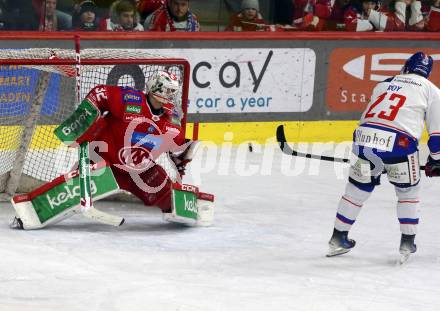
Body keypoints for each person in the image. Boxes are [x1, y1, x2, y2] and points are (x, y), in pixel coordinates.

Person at [10, 71, 213, 229]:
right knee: (71, 193)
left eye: (173, 92)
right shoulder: (131, 100)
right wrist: (83, 120)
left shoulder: (171, 119)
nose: (172, 96)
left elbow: (175, 146)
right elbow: (100, 93)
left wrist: (181, 154)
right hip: (103, 160)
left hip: (139, 172)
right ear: (156, 89)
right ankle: (28, 213)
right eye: (168, 91)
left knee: (167, 196)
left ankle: (194, 207)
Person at [327, 52, 440, 259]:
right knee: (408, 193)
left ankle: (338, 237)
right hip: (400, 144)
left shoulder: (383, 83)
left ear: (406, 67)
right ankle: (407, 243)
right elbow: (436, 137)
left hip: (363, 140)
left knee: (356, 190)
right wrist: (436, 159)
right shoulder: (432, 90)